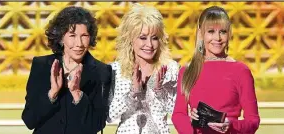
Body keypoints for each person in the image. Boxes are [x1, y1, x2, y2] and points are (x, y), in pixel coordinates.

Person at [21, 6, 112, 134]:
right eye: (72, 35)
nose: (79, 43)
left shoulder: (102, 71)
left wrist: (77, 95)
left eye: (84, 35)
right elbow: (29, 120)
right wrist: (52, 94)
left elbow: (97, 125)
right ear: (61, 38)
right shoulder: (41, 65)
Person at [172, 6, 260, 134]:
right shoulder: (187, 71)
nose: (217, 38)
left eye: (223, 32)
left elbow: (253, 120)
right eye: (211, 31)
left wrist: (231, 125)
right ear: (201, 33)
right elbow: (178, 114)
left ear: (229, 34)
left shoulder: (241, 71)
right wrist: (190, 125)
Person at [107, 4, 180, 134]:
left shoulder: (170, 69)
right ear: (130, 38)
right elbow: (109, 116)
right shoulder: (116, 70)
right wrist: (132, 93)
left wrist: (160, 91)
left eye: (155, 38)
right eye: (143, 38)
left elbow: (176, 111)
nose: (150, 45)